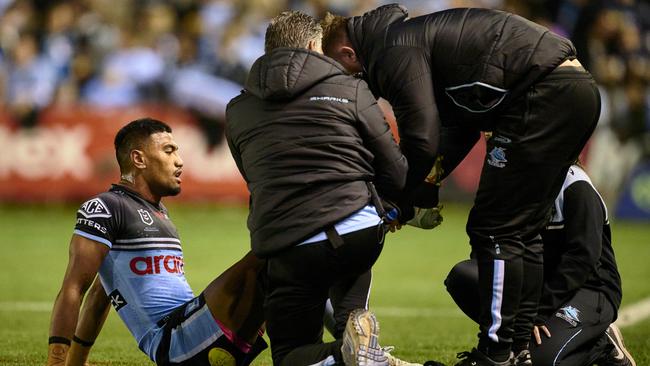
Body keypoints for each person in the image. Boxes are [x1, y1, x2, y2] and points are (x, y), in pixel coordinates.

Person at [322, 5, 601, 365]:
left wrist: (395, 199)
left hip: (544, 92)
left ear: (348, 53)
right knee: (523, 230)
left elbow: (421, 137)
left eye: (338, 71)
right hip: (572, 89)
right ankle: (518, 350)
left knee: (495, 230)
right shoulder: (410, 38)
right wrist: (422, 190)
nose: (345, 83)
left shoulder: (392, 50)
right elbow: (460, 125)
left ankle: (495, 354)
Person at [226, 10, 410, 366]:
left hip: (288, 243)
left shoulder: (237, 109)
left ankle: (349, 353)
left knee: (290, 354)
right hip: (356, 230)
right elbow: (395, 167)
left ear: (268, 51)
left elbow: (254, 177)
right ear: (315, 45)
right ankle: (359, 350)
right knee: (351, 297)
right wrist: (393, 205)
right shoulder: (351, 88)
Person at [47, 118, 267, 366]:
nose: (179, 161)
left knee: (285, 266)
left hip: (205, 338)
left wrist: (77, 361)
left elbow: (101, 295)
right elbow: (74, 288)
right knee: (270, 249)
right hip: (173, 340)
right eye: (169, 150)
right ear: (139, 159)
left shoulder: (160, 213)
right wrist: (58, 361)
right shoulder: (105, 207)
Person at [445, 163, 636, 366]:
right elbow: (487, 245)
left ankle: (601, 342)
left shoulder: (576, 186)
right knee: (463, 277)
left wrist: (538, 312)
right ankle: (510, 344)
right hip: (537, 286)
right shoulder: (511, 182)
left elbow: (582, 259)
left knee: (541, 361)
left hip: (589, 288)